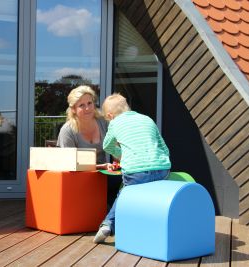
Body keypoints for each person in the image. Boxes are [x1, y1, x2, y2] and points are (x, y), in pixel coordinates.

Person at [93, 93, 171, 243]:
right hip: (161, 168)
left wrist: (121, 154)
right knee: (154, 195)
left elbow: (107, 146)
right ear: (127, 106)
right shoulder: (147, 119)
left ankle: (108, 224)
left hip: (136, 172)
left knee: (124, 195)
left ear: (110, 115)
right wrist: (163, 162)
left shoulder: (115, 123)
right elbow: (163, 147)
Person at [57, 85, 123, 208]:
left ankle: (114, 216)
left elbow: (117, 148)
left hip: (103, 175)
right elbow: (68, 163)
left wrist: (119, 164)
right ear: (73, 109)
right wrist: (100, 166)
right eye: (81, 105)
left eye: (90, 103)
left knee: (125, 179)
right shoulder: (67, 130)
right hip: (79, 177)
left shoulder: (103, 122)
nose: (87, 108)